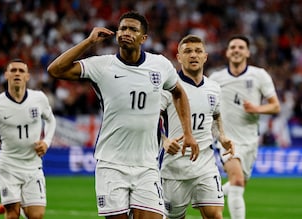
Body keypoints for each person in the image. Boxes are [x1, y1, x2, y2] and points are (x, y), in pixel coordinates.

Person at [47, 11, 199, 219]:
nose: (126, 32)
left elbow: (179, 93)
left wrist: (188, 134)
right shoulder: (102, 65)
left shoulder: (160, 65)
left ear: (143, 38)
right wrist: (89, 41)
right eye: (123, 28)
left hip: (147, 164)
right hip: (111, 164)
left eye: (133, 29)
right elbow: (55, 70)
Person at [159, 35, 234, 219]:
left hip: (205, 164)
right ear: (178, 57)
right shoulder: (168, 87)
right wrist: (164, 140)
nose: (193, 55)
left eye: (198, 51)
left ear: (205, 57)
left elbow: (215, 117)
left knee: (215, 215)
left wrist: (222, 136)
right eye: (188, 51)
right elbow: (150, 119)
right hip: (174, 166)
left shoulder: (214, 88)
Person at [209, 35, 281, 219]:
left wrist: (257, 108)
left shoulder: (259, 75)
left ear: (247, 52)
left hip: (250, 139)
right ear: (227, 52)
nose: (236, 50)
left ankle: (208, 196)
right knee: (237, 180)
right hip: (226, 139)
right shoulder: (216, 78)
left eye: (241, 47)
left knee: (237, 186)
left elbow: (275, 106)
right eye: (232, 47)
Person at [0, 58, 56, 219]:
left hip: (33, 165)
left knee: (36, 215)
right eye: (13, 70)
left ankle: (17, 204)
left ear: (27, 76)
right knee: (12, 215)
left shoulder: (39, 98)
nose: (17, 73)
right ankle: (13, 205)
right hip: (8, 166)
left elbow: (51, 120)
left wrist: (46, 142)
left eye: (21, 71)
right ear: (6, 75)